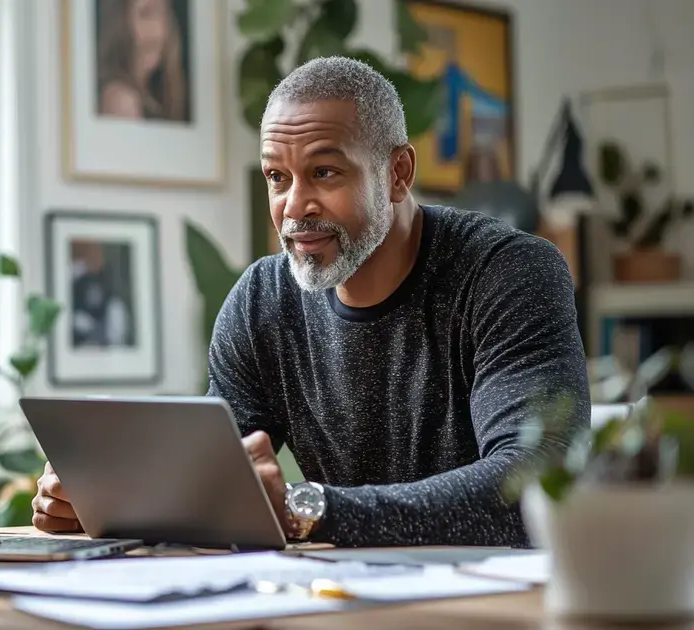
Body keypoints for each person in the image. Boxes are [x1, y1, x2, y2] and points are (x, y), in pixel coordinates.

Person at [31, 57, 590, 547]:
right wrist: (107, 500)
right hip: (337, 599)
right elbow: (216, 483)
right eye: (277, 177)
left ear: (397, 173)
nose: (294, 206)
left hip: (496, 605)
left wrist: (317, 511)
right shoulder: (261, 302)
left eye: (324, 172)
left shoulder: (508, 274)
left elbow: (534, 481)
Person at [96, 0, 188, 122]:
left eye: (165, 15)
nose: (159, 30)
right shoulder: (121, 99)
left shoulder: (159, 96)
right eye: (146, 14)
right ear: (121, 22)